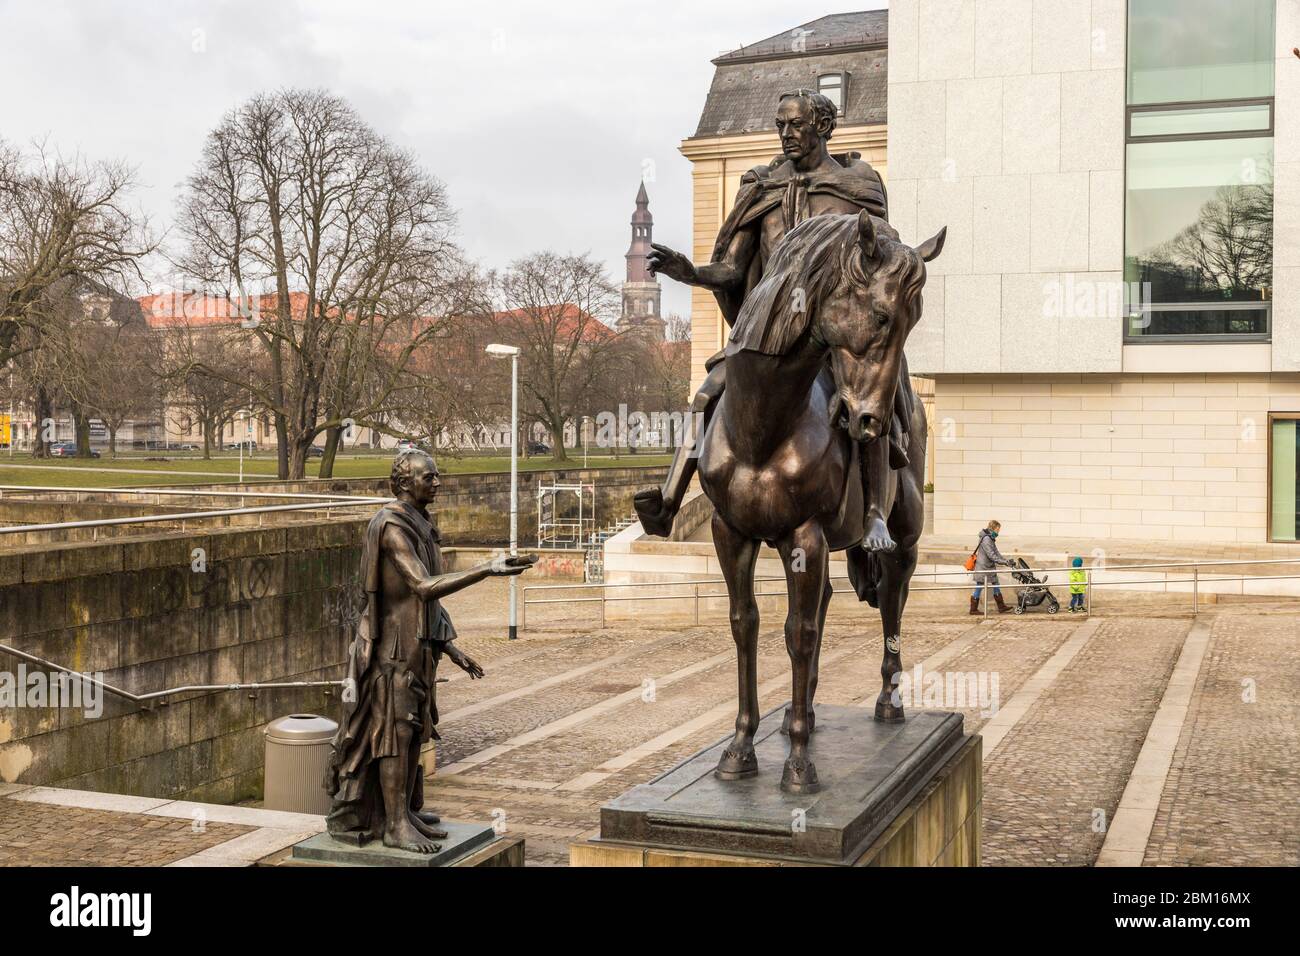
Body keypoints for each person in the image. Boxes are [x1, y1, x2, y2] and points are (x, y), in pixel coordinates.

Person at [634, 88, 912, 554]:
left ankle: (875, 514)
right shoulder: (760, 187)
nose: (785, 134)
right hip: (770, 337)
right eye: (780, 124)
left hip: (832, 334)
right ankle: (668, 501)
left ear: (823, 127)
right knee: (708, 393)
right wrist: (693, 273)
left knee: (867, 400)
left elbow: (881, 256)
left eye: (795, 125)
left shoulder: (858, 186)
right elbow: (735, 269)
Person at [324, 449, 536, 853]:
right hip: (393, 651)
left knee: (415, 730)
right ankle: (394, 825)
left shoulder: (421, 522)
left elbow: (424, 603)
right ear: (405, 484)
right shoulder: (391, 526)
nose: (437, 483)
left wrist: (451, 648)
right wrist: (487, 569)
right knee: (394, 734)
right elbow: (423, 586)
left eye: (437, 476)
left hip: (419, 647)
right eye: (429, 478)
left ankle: (402, 811)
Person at [970, 520, 1014, 614]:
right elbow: (992, 555)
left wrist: (1006, 560)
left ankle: (1001, 606)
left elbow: (996, 552)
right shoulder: (986, 539)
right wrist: (1004, 562)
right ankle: (973, 609)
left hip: (988, 567)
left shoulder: (990, 538)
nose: (998, 532)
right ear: (993, 528)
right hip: (983, 567)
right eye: (998, 529)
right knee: (979, 586)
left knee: (996, 583)